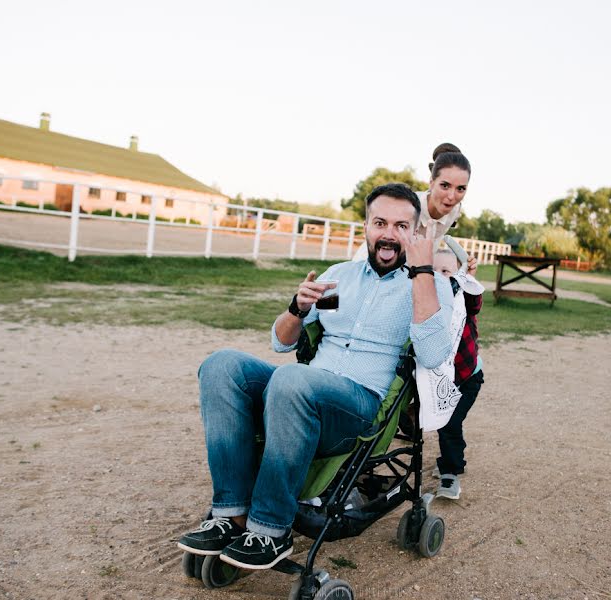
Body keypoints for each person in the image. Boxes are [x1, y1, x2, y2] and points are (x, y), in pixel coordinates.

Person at [177, 183, 455, 570]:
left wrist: (423, 269)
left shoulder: (429, 284)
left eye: (400, 225)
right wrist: (297, 308)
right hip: (303, 393)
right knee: (221, 365)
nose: (389, 233)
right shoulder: (341, 277)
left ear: (414, 232)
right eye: (380, 223)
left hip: (358, 405)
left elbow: (433, 354)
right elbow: (281, 341)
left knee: (294, 381)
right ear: (366, 228)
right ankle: (231, 515)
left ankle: (270, 530)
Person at [353, 143, 477, 272]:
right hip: (376, 261)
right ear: (431, 182)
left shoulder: (455, 210)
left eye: (460, 189)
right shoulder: (409, 206)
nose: (452, 196)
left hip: (417, 269)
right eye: (445, 186)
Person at [430, 247, 485, 500]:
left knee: (449, 422)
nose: (439, 277)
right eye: (434, 271)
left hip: (467, 377)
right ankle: (452, 458)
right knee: (443, 421)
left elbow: (475, 302)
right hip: (442, 376)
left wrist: (470, 277)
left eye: (446, 272)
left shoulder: (464, 296)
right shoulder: (428, 303)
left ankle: (450, 471)